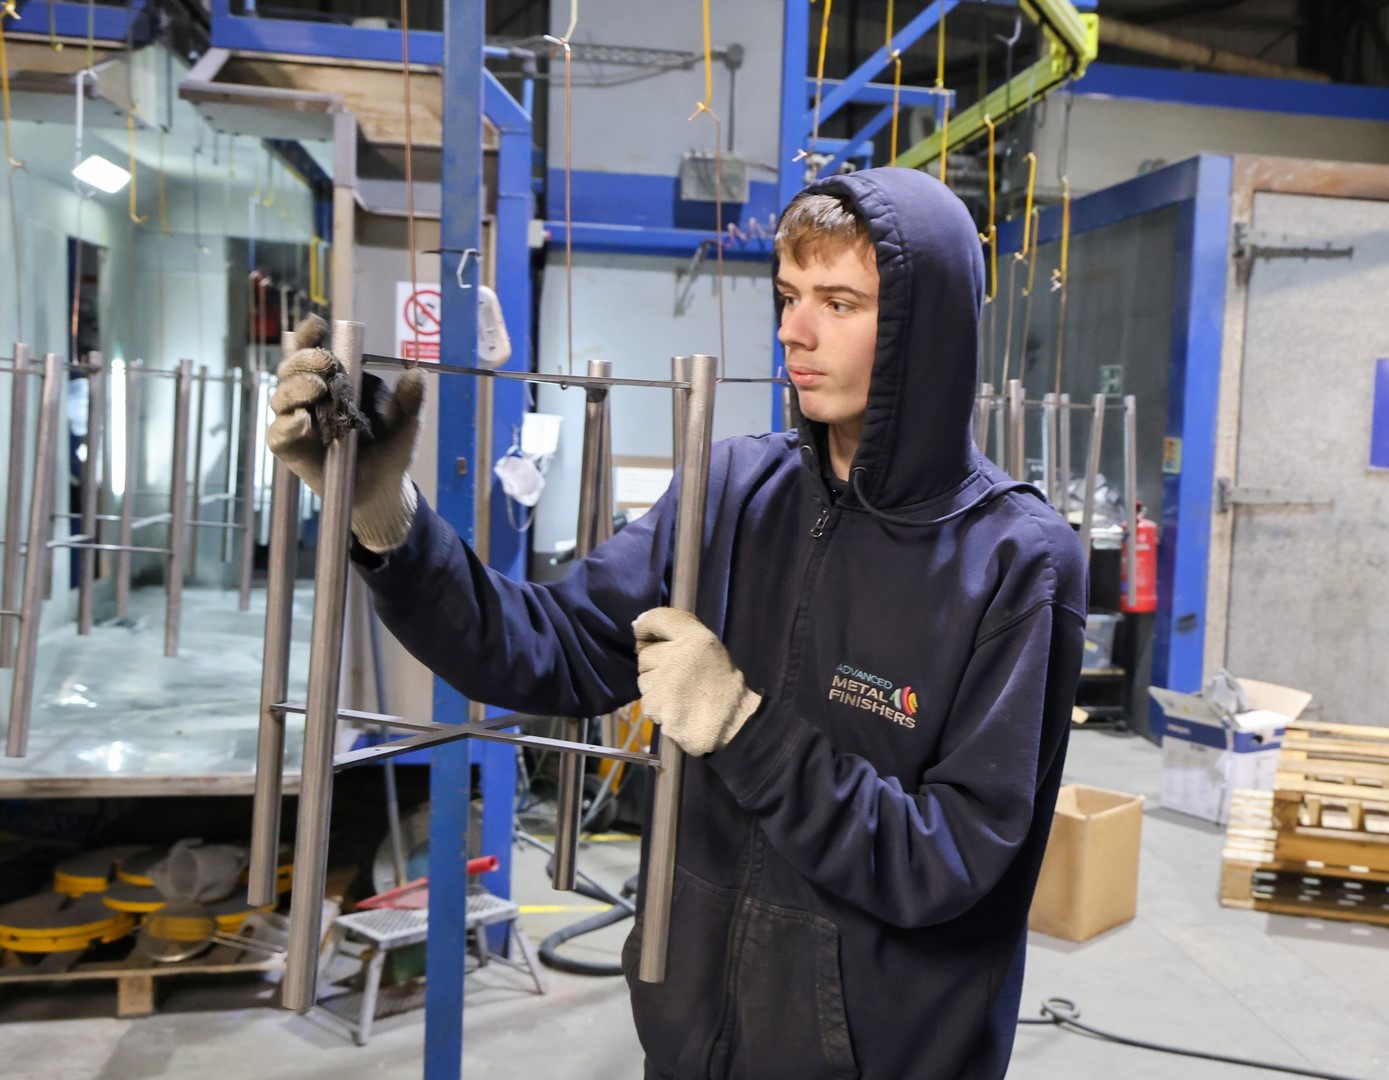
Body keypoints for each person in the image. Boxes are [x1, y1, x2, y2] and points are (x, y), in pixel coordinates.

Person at [268, 166, 1087, 1080]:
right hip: (689, 1040)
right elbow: (553, 649)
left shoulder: (1015, 562)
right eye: (788, 295)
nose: (794, 330)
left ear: (922, 330)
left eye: (839, 303)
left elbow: (947, 862)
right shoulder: (734, 488)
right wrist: (385, 516)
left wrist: (742, 729)